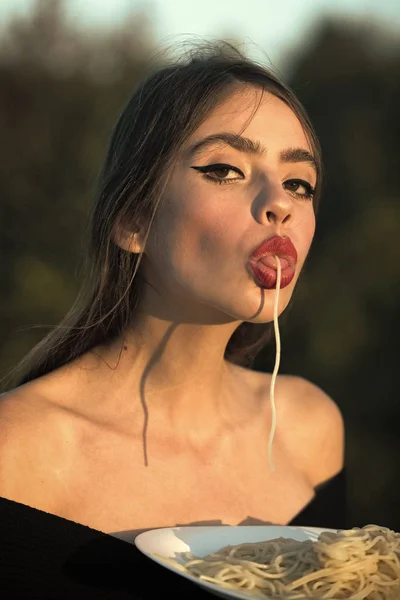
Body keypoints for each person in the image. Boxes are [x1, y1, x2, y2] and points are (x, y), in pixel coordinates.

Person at [0, 42, 345, 541]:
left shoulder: (309, 430)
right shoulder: (18, 451)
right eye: (225, 170)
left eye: (299, 183)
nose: (280, 205)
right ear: (133, 220)